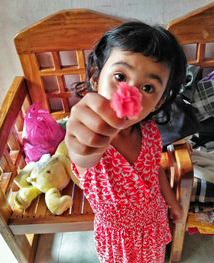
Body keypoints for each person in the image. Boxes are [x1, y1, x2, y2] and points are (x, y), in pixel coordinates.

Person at [65, 21, 187, 263]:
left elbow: (154, 171)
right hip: (117, 239)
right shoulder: (94, 139)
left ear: (159, 102)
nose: (130, 93)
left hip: (153, 225)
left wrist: (172, 203)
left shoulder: (150, 132)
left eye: (148, 87)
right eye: (120, 76)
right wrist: (77, 141)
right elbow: (82, 155)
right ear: (95, 78)